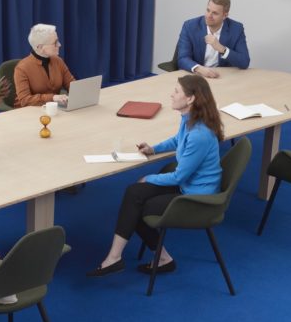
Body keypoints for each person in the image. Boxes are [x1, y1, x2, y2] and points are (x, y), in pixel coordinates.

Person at [87, 74, 223, 277]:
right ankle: (127, 258)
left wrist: (149, 178)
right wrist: (154, 149)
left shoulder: (199, 134)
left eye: (176, 91)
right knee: (134, 193)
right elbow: (178, 140)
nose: (171, 94)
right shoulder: (190, 119)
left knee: (139, 206)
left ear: (191, 99)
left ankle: (134, 259)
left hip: (196, 195)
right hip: (189, 184)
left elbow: (178, 177)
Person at [175, 0, 251, 78]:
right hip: (196, 76)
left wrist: (222, 49)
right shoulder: (190, 26)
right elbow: (182, 58)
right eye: (208, 10)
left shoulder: (236, 29)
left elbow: (244, 62)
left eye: (215, 13)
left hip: (221, 78)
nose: (209, 16)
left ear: (225, 15)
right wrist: (199, 69)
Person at [13, 23, 76, 107]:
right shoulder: (21, 68)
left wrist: (82, 92)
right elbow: (25, 100)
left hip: (53, 109)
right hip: (28, 112)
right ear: (40, 47)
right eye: (55, 43)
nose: (59, 45)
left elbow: (71, 84)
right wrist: (52, 98)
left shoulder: (58, 61)